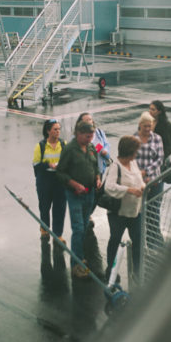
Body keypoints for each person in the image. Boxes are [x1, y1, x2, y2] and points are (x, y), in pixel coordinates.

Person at [55, 119, 102, 278]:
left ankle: (81, 257)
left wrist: (97, 177)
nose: (90, 139)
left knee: (84, 228)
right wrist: (74, 184)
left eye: (91, 136)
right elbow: (60, 173)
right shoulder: (70, 149)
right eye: (87, 136)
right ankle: (76, 265)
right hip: (75, 195)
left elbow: (95, 166)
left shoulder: (91, 147)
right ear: (79, 134)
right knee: (78, 229)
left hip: (90, 193)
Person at [101, 135, 145, 281]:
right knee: (115, 239)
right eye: (136, 150)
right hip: (118, 213)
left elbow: (139, 180)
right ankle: (111, 271)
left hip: (135, 212)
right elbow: (109, 187)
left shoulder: (133, 164)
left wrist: (143, 186)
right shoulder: (115, 166)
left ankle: (138, 272)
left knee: (138, 242)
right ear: (129, 151)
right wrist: (129, 190)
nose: (137, 153)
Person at [31, 119, 66, 246]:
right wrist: (48, 164)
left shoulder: (63, 144)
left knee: (60, 208)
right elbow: (36, 163)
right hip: (45, 180)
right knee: (45, 206)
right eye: (55, 129)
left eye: (59, 129)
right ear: (48, 131)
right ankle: (44, 228)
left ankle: (58, 234)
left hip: (59, 180)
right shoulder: (40, 146)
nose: (58, 132)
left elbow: (68, 160)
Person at [135, 111, 165, 251]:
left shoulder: (157, 138)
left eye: (150, 126)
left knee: (153, 213)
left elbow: (159, 159)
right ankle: (140, 243)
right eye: (145, 126)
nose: (148, 129)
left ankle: (152, 243)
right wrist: (139, 175)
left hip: (154, 181)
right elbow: (131, 159)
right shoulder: (134, 138)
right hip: (138, 182)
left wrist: (146, 172)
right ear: (140, 125)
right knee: (139, 213)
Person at [77, 111, 112, 177]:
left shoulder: (99, 132)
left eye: (90, 119)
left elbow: (106, 144)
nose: (89, 121)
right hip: (85, 172)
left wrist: (105, 151)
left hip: (100, 168)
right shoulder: (77, 135)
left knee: (98, 185)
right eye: (86, 120)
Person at [149, 100, 171, 169]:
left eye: (153, 109)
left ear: (159, 112)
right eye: (149, 108)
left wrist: (161, 157)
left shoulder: (165, 126)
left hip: (159, 159)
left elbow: (170, 144)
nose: (150, 111)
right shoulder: (148, 122)